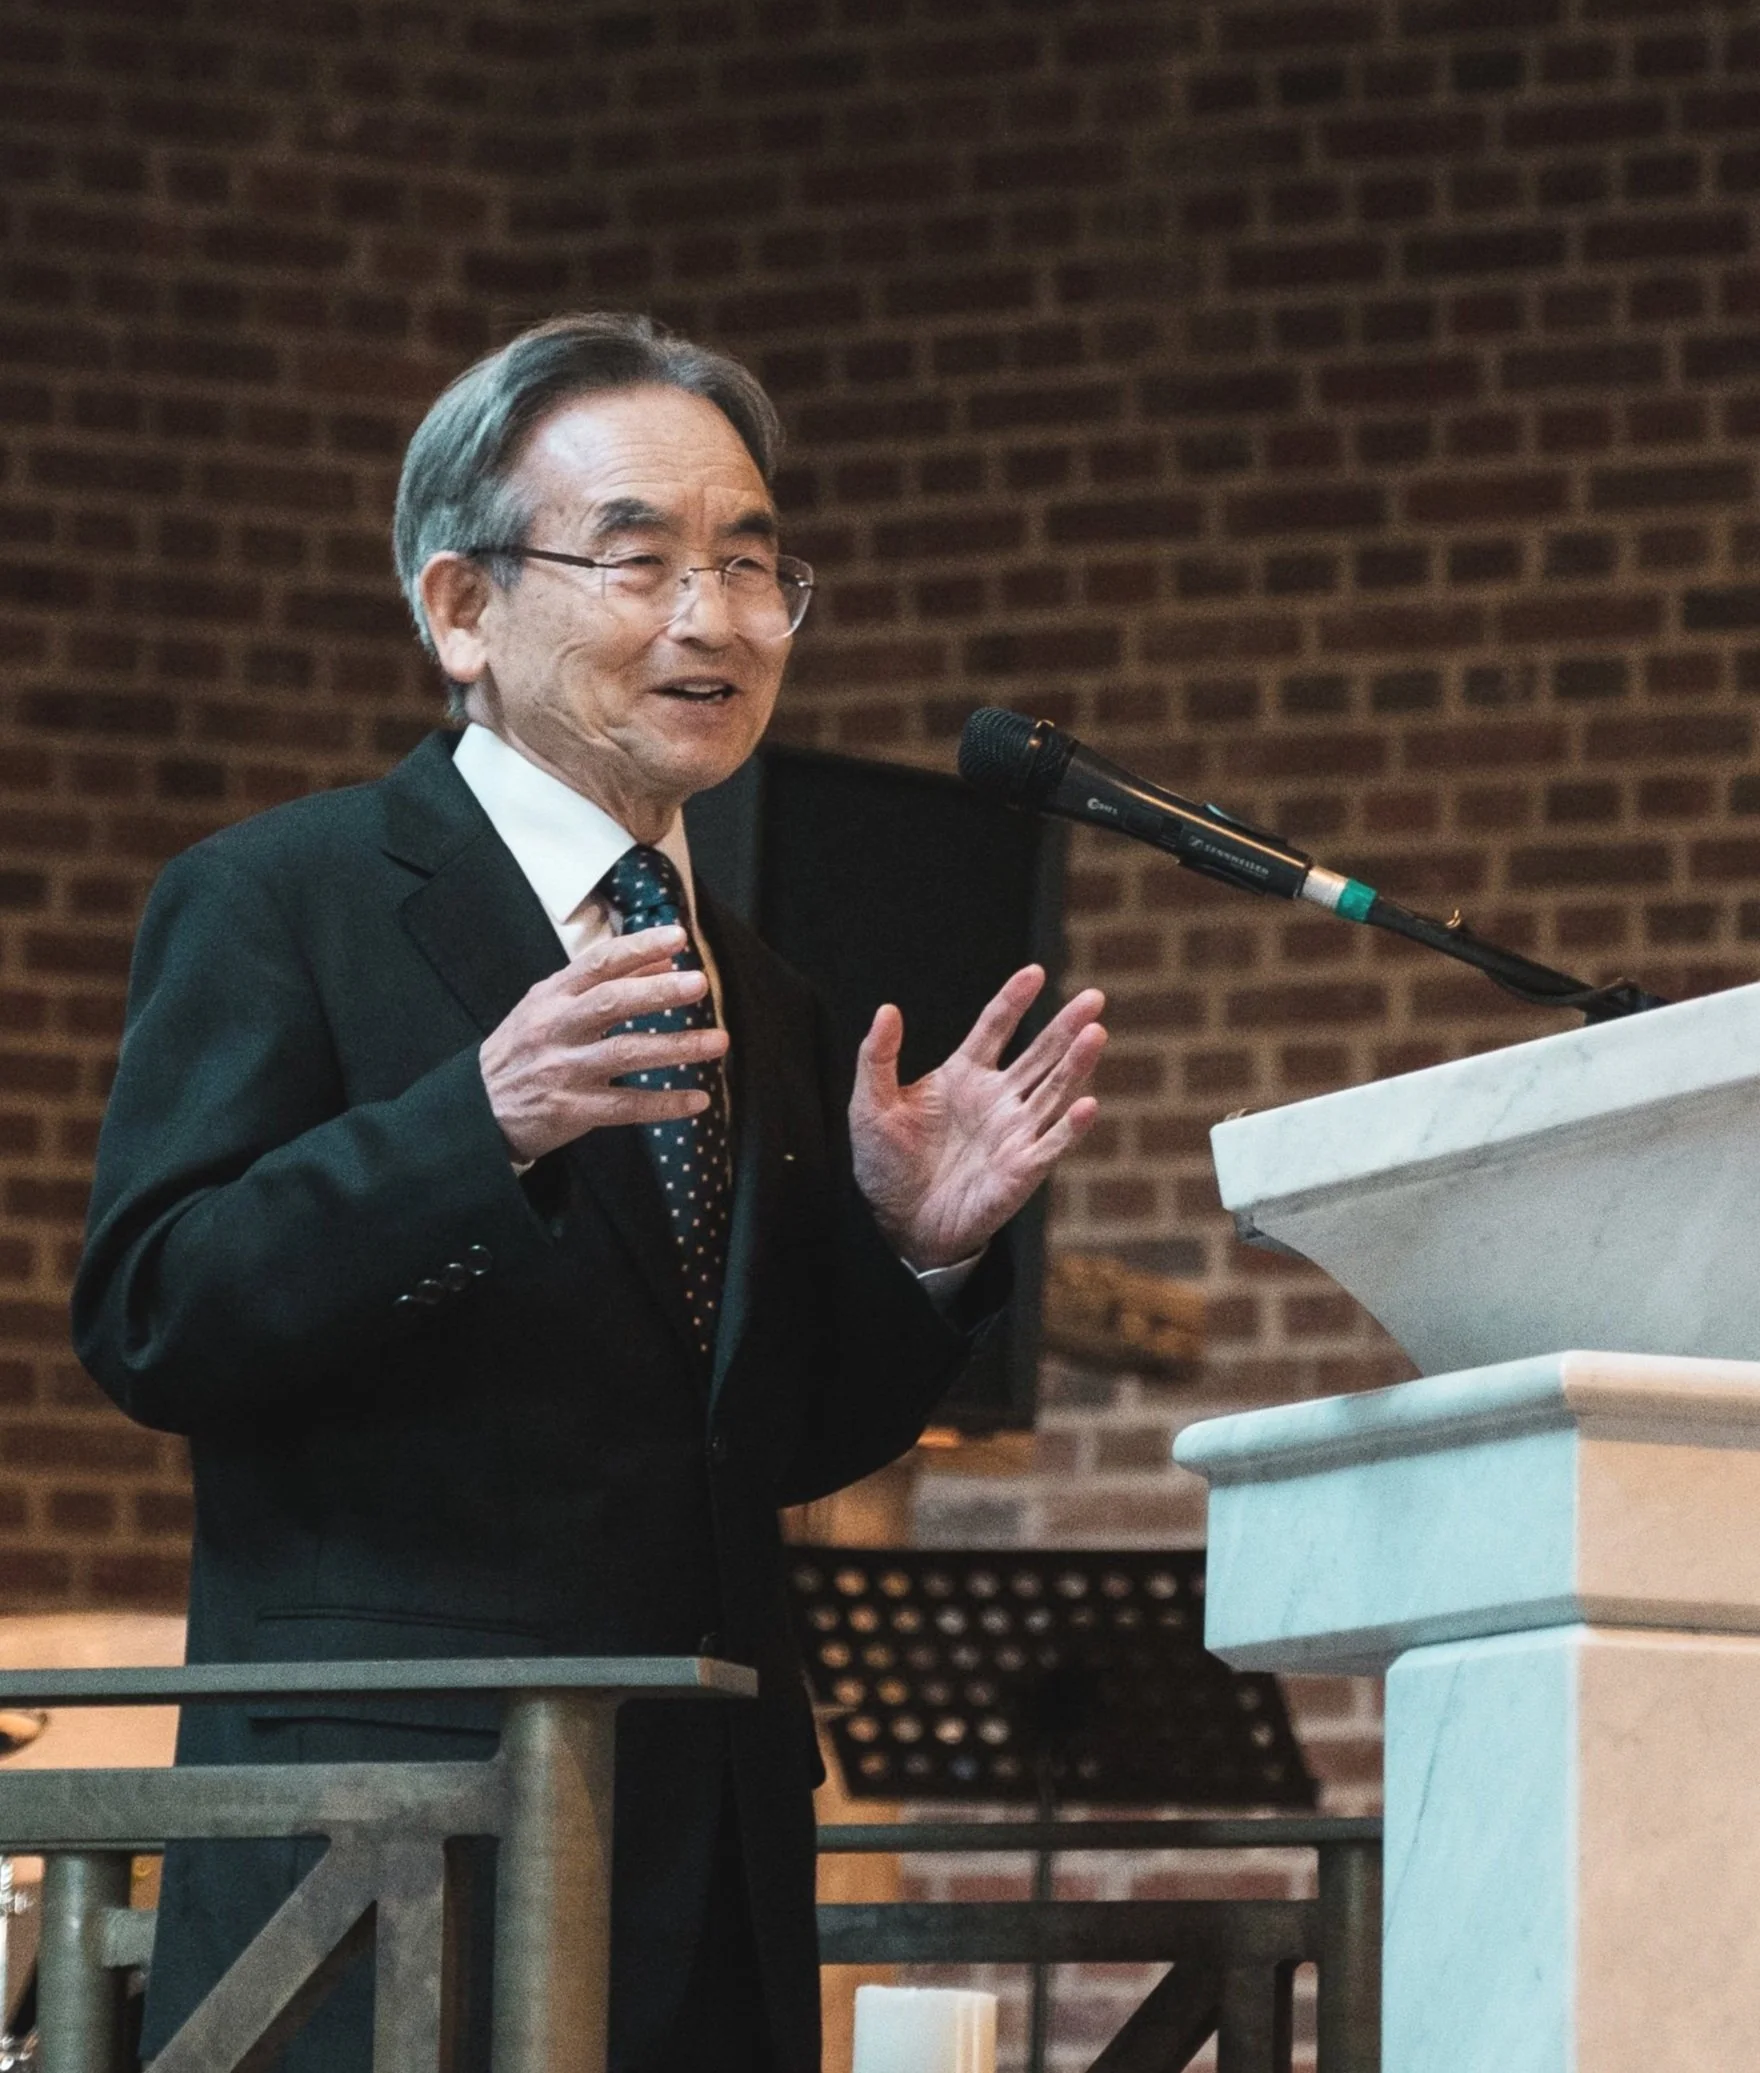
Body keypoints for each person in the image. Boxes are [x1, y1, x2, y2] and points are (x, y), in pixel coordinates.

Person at [73, 312, 1106, 2072]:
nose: (711, 620)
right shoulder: (286, 897)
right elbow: (159, 1310)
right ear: (462, 609)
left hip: (702, 1860)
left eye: (754, 566)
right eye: (641, 561)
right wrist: (471, 1127)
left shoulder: (758, 988)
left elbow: (746, 1448)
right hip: (387, 1853)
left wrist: (917, 1264)